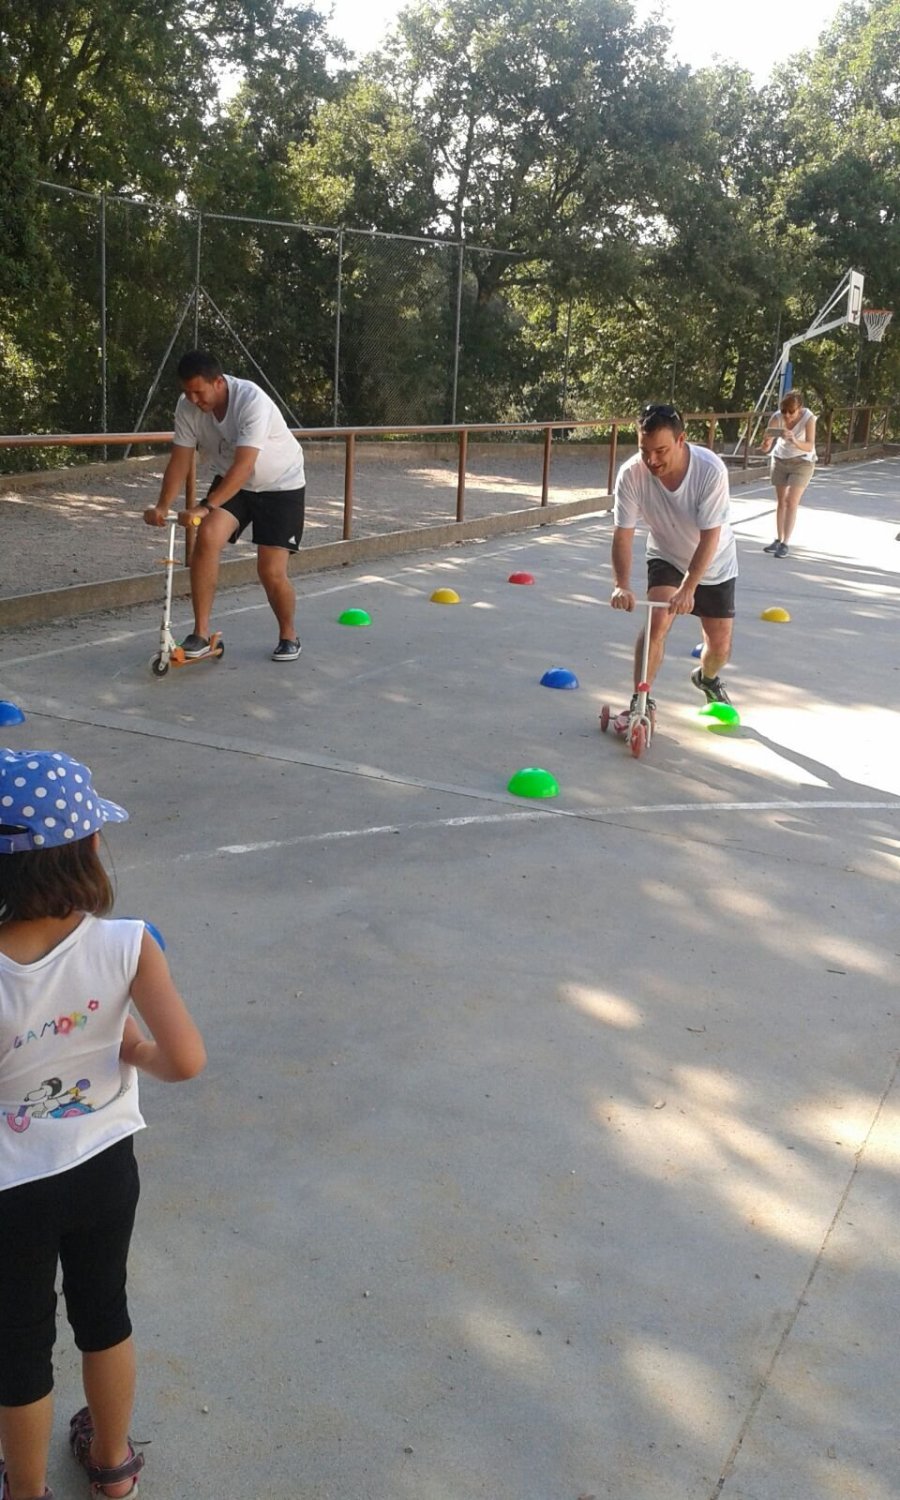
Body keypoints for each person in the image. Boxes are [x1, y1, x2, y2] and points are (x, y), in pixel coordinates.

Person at [0, 749, 206, 1500]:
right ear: (89, 848)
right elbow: (184, 1060)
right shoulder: (129, 944)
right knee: (104, 1315)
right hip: (104, 1167)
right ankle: (113, 1465)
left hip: (11, 1189)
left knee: (18, 1350)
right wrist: (132, 1049)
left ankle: (24, 1492)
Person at [143, 350, 306, 663]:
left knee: (270, 571)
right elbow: (180, 459)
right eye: (186, 392)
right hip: (236, 484)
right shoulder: (187, 407)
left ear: (218, 382)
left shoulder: (251, 400)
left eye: (198, 392)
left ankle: (288, 634)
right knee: (206, 539)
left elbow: (245, 465)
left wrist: (205, 506)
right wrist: (162, 505)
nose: (193, 399)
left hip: (280, 484)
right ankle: (201, 634)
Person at [610, 403, 738, 711]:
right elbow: (623, 534)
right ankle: (641, 700)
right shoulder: (631, 475)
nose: (652, 460)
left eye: (661, 450)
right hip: (666, 555)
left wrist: (690, 587)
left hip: (715, 562)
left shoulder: (709, 470)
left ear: (681, 441)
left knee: (719, 648)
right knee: (656, 623)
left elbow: (710, 537)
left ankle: (707, 678)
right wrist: (622, 583)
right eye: (645, 450)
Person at [759, 389, 817, 557]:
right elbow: (766, 446)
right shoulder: (777, 418)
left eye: (791, 412)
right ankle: (778, 538)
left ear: (800, 408)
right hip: (780, 459)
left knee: (791, 500)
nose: (787, 416)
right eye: (784, 411)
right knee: (781, 501)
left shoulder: (809, 418)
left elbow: (810, 445)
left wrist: (794, 439)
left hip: (802, 461)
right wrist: (766, 443)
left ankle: (785, 543)